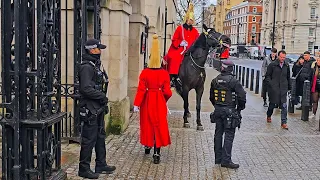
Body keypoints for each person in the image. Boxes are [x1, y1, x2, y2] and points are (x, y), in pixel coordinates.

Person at [78, 39, 116, 179]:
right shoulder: (86, 67)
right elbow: (86, 88)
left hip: (97, 107)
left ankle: (101, 164)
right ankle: (84, 168)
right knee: (89, 139)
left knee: (100, 137)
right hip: (90, 108)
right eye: (98, 48)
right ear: (92, 50)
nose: (100, 51)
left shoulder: (95, 65)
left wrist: (102, 103)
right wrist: (101, 96)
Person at [133, 34, 172, 164]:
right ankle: (157, 153)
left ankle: (147, 146)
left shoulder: (145, 73)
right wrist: (163, 98)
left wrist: (137, 104)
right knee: (158, 126)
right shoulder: (164, 73)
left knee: (148, 124)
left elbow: (141, 90)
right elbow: (168, 92)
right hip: (159, 101)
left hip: (147, 101)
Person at [209, 60, 246, 169]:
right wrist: (239, 108)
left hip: (218, 110)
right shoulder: (233, 81)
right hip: (229, 111)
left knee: (218, 134)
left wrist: (217, 106)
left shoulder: (214, 80)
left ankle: (218, 158)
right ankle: (226, 160)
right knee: (229, 135)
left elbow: (211, 97)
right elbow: (242, 97)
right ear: (231, 69)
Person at [164, 3, 199, 87]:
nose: (191, 21)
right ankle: (173, 77)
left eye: (192, 20)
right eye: (190, 19)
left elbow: (197, 40)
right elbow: (174, 39)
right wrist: (180, 43)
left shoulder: (194, 31)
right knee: (174, 58)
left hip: (190, 50)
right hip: (179, 49)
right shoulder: (180, 28)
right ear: (187, 19)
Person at [265, 50, 291, 129]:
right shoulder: (272, 65)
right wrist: (272, 84)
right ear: (278, 56)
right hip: (274, 89)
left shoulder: (286, 65)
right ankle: (269, 115)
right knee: (272, 104)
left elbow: (288, 77)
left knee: (284, 106)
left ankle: (284, 122)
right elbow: (267, 76)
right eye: (282, 57)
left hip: (283, 88)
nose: (283, 59)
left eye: (284, 57)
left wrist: (289, 87)